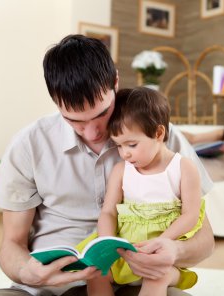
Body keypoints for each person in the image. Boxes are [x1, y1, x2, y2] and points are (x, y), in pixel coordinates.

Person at [0, 34, 214, 296]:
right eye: (74, 120)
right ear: (55, 101)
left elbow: (204, 238)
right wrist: (26, 271)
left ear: (115, 81)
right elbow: (11, 244)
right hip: (53, 288)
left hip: (134, 284)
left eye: (102, 113)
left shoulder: (160, 138)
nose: (92, 132)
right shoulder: (29, 144)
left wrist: (175, 251)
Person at [86, 87, 205, 296]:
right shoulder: (121, 170)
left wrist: (164, 242)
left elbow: (191, 215)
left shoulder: (183, 167)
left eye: (131, 144)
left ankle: (163, 276)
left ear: (159, 133)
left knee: (157, 274)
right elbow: (108, 212)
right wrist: (106, 242)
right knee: (95, 272)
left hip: (162, 251)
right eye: (118, 146)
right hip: (126, 248)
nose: (125, 153)